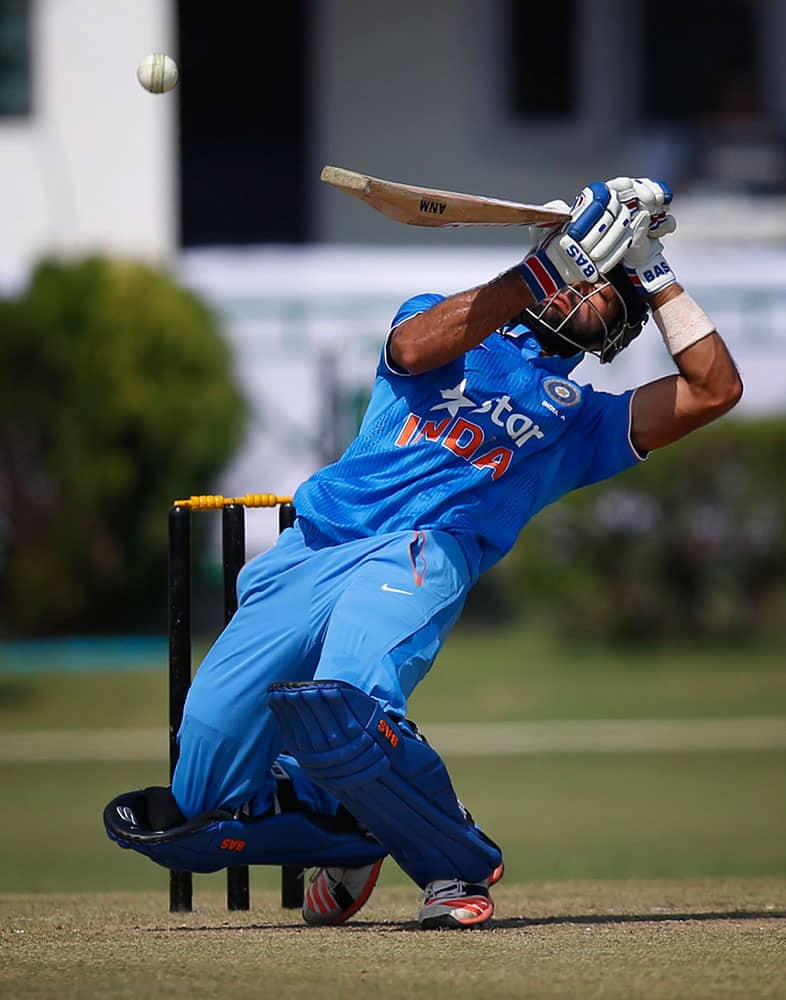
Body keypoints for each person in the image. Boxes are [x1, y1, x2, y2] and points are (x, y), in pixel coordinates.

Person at [105, 177, 742, 930]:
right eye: (583, 265)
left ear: (616, 331)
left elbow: (713, 390)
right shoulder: (447, 323)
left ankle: (453, 866)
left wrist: (653, 272)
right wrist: (549, 269)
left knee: (346, 704)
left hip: (420, 552)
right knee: (198, 800)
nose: (586, 283)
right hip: (313, 546)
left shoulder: (584, 425)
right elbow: (410, 347)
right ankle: (344, 822)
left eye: (605, 287)